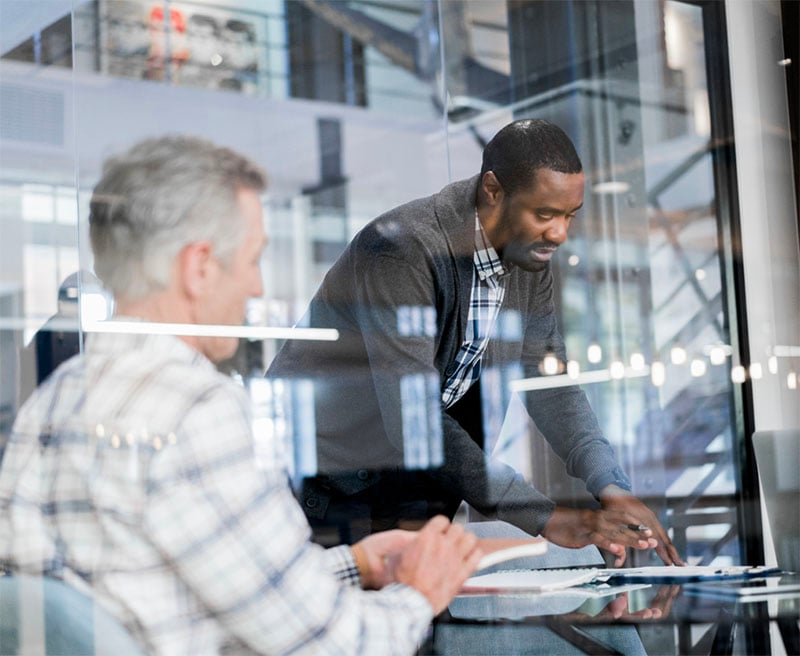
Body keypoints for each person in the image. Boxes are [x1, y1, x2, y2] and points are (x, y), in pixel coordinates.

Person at [0, 136, 483, 655]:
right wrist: (419, 593)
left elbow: (163, 591)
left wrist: (356, 564)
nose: (256, 287)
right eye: (252, 260)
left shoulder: (52, 402)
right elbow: (335, 645)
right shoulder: (196, 410)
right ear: (199, 267)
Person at [268, 119, 684, 567]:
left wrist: (610, 485)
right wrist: (545, 516)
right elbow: (413, 419)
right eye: (544, 214)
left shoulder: (527, 262)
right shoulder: (402, 249)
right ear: (492, 189)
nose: (559, 233)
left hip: (409, 486)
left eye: (569, 215)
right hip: (322, 486)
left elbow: (551, 387)